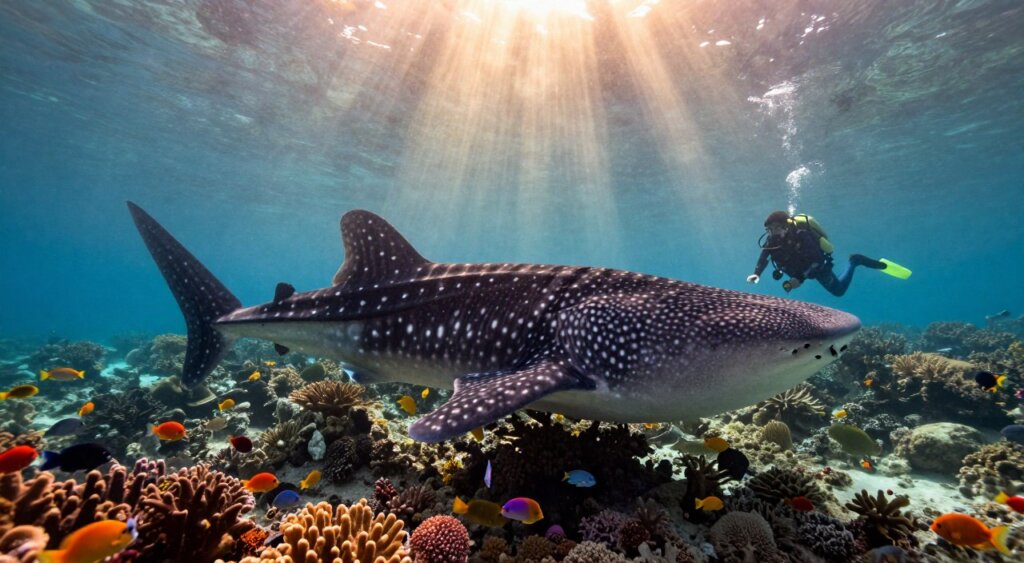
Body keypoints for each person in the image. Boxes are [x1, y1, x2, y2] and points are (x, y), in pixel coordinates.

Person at [747, 210, 911, 296]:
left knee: (838, 291)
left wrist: (800, 278)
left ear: (786, 225)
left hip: (816, 268)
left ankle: (855, 261)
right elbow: (764, 257)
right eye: (768, 230)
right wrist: (756, 274)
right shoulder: (772, 240)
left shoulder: (802, 235)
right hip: (797, 272)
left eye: (775, 228)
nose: (772, 233)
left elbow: (817, 260)